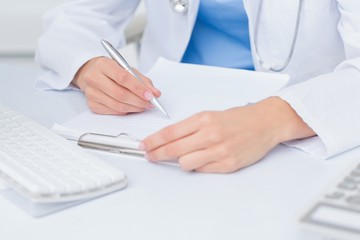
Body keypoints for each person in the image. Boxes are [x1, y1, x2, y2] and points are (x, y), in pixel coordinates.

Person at [35, 0, 360, 173]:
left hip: (307, 132)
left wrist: (272, 120)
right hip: (159, 123)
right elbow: (78, 18)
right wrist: (87, 65)